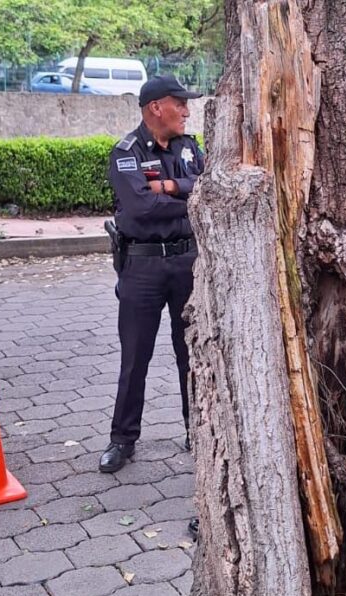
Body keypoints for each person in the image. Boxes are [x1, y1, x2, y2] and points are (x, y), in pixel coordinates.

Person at [100, 75, 204, 474]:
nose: (187, 111)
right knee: (135, 357)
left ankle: (198, 431)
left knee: (191, 352)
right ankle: (122, 440)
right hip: (141, 266)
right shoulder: (126, 153)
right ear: (155, 108)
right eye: (180, 103)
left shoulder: (188, 147)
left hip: (187, 263)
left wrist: (169, 186)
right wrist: (188, 198)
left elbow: (207, 187)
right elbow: (141, 208)